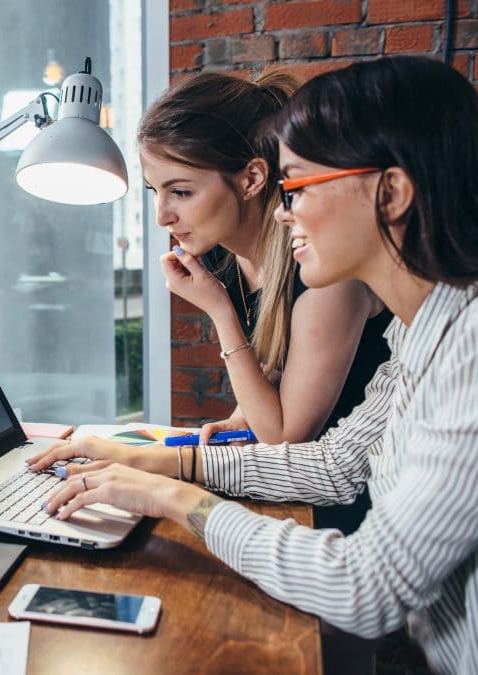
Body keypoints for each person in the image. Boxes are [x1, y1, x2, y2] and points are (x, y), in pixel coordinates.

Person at [30, 56, 478, 674]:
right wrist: (145, 461)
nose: (284, 211)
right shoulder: (421, 331)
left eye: (298, 187)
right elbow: (337, 464)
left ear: (392, 192)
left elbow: (365, 586)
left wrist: (173, 495)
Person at [138, 70, 391, 533]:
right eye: (155, 192)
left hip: (347, 509)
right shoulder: (221, 254)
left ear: (252, 178)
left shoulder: (326, 269)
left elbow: (284, 437)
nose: (162, 216)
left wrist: (219, 310)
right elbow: (276, 377)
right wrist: (240, 421)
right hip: (292, 488)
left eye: (181, 191)